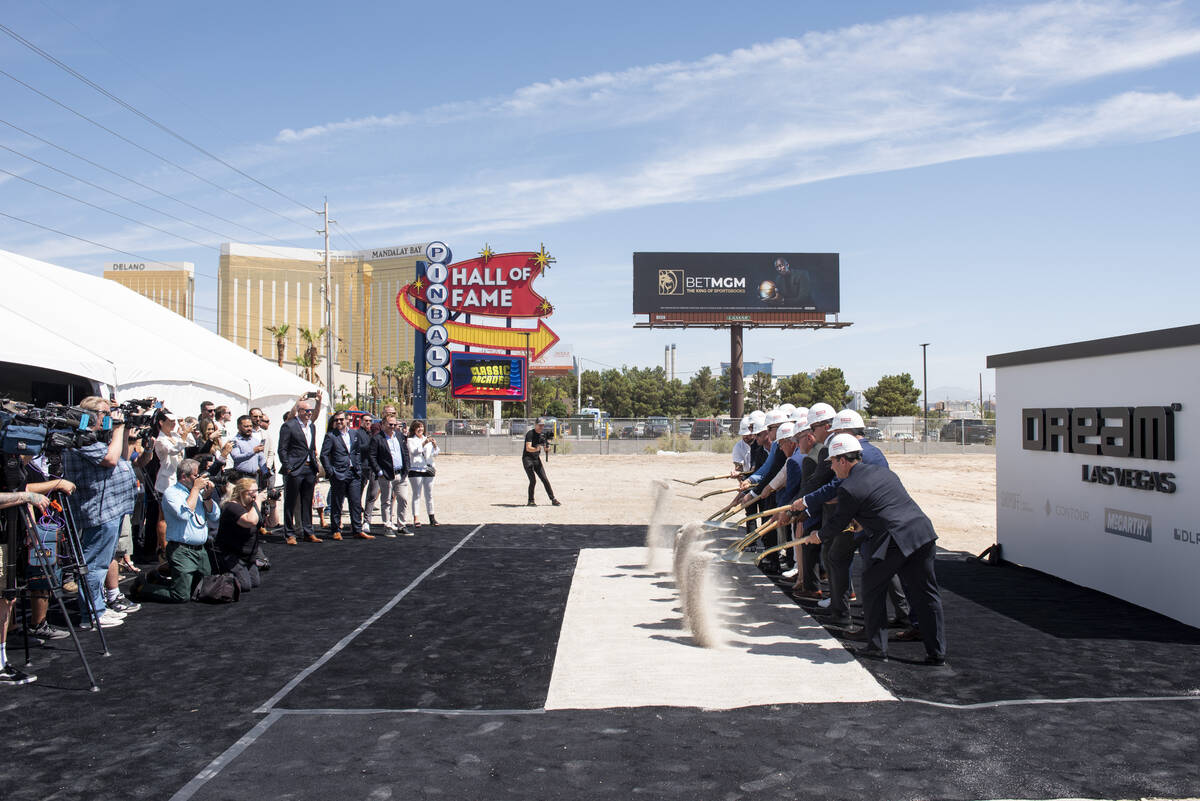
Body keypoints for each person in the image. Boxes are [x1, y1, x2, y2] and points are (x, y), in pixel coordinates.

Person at [794, 434, 946, 665]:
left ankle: (877, 647)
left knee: (872, 588)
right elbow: (886, 505)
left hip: (893, 541)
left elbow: (838, 523)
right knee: (926, 594)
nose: (832, 468)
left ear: (843, 460)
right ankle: (937, 652)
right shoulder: (884, 473)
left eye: (833, 462)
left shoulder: (849, 488)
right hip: (922, 534)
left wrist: (817, 536)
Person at [60, 396, 138, 629]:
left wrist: (122, 433)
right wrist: (118, 428)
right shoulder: (80, 439)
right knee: (94, 564)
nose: (108, 418)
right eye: (105, 413)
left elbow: (123, 456)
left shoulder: (95, 438)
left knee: (101, 563)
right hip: (98, 509)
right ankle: (92, 614)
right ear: (91, 415)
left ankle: (98, 608)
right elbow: (111, 459)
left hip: (110, 508)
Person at [132, 459, 219, 603]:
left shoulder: (197, 492)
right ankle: (143, 587)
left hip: (200, 551)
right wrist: (196, 490)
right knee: (181, 595)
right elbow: (184, 514)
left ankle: (159, 578)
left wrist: (207, 496)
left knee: (203, 589)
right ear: (184, 476)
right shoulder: (172, 493)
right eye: (196, 476)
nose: (199, 480)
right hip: (182, 549)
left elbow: (215, 516)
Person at [0, 489, 51, 685]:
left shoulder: (12, 464)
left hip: (8, 536)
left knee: (7, 599)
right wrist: (26, 497)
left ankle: (1, 663)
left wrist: (30, 524)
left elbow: (21, 483)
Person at [213, 477, 277, 587]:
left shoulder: (253, 505)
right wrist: (258, 501)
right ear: (242, 492)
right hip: (232, 554)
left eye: (257, 491)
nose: (255, 495)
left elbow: (272, 523)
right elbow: (250, 521)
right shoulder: (231, 506)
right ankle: (223, 574)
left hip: (247, 556)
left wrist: (273, 504)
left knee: (254, 582)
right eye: (253, 492)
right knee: (244, 585)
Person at [320, 411, 373, 540]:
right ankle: (336, 530)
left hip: (354, 472)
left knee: (355, 502)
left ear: (347, 420)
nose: (339, 422)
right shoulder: (331, 436)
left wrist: (358, 466)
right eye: (336, 420)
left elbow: (357, 451)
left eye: (341, 420)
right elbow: (324, 455)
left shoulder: (354, 434)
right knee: (337, 503)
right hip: (338, 473)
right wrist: (330, 471)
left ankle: (357, 530)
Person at [278, 393, 321, 545]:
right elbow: (282, 449)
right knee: (290, 503)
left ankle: (308, 532)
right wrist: (288, 467)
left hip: (309, 469)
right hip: (295, 469)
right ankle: (289, 533)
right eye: (306, 411)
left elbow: (312, 446)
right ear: (299, 411)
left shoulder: (312, 426)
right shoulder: (289, 425)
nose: (309, 414)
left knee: (307, 502)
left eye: (310, 411)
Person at [366, 413, 412, 536]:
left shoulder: (399, 436)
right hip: (386, 475)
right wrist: (379, 472)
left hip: (400, 474)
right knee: (386, 501)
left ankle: (402, 525)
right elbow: (372, 456)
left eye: (394, 424)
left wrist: (406, 468)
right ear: (383, 425)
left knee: (403, 499)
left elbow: (405, 453)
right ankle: (387, 525)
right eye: (390, 424)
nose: (392, 427)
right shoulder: (377, 438)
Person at [406, 420, 439, 526]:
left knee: (429, 494)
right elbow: (414, 452)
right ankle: (416, 518)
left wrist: (434, 445)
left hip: (428, 469)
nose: (420, 429)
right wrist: (423, 444)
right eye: (418, 427)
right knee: (417, 494)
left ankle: (432, 517)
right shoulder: (410, 440)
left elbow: (435, 454)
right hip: (416, 469)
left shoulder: (427, 439)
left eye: (422, 427)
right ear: (414, 429)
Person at [523, 418, 561, 507]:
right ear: (535, 425)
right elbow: (528, 448)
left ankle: (553, 499)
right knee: (533, 480)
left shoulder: (542, 435)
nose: (541, 427)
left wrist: (547, 446)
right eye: (540, 425)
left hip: (536, 459)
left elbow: (546, 449)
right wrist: (537, 448)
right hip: (527, 459)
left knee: (544, 479)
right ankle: (530, 501)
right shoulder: (530, 434)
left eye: (543, 425)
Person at [230, 414, 268, 486]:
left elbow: (261, 457)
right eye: (246, 426)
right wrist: (253, 452)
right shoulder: (234, 441)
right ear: (238, 427)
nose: (249, 428)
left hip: (254, 476)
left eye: (251, 426)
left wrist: (265, 472)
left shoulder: (255, 441)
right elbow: (236, 457)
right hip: (242, 476)